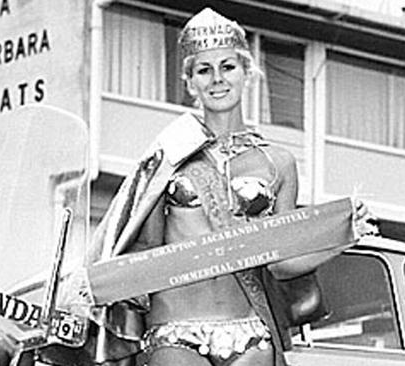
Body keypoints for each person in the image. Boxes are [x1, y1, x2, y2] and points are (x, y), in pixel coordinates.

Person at [86, 7, 377, 366]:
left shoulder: (279, 161)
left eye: (228, 66)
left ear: (246, 73)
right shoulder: (168, 155)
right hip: (175, 330)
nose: (217, 79)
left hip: (251, 333)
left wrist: (344, 234)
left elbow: (280, 262)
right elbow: (144, 250)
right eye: (203, 70)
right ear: (189, 81)